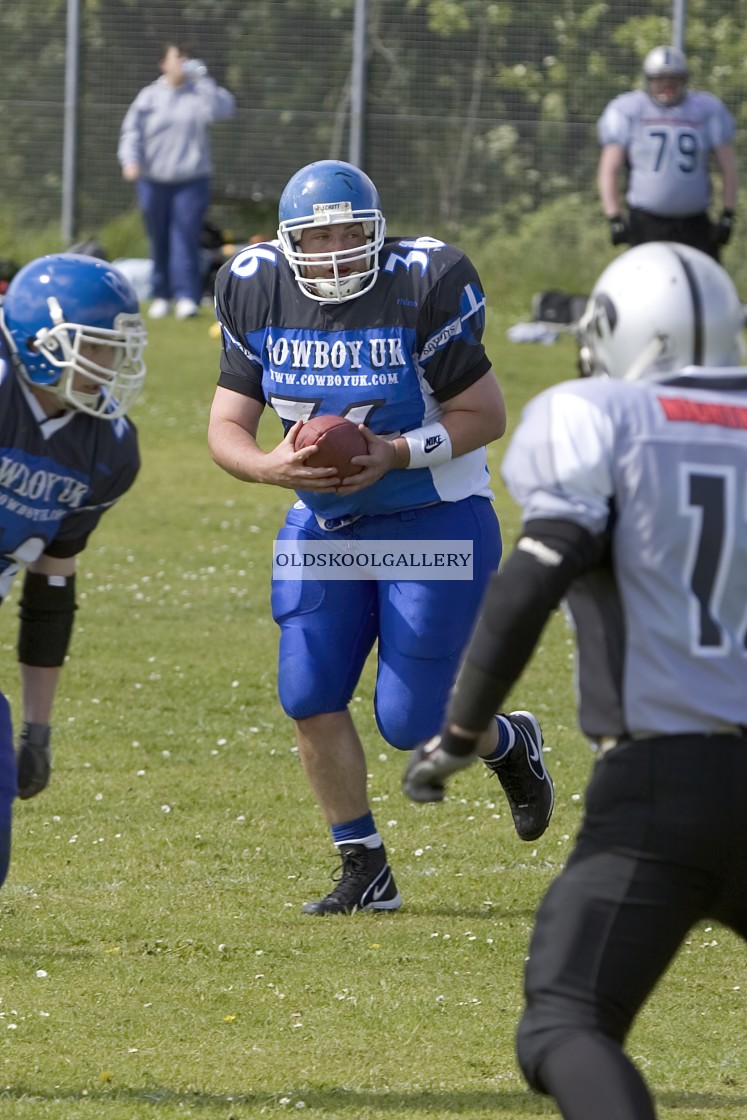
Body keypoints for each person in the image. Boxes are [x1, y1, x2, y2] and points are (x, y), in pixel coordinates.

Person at [403, 241, 747, 1118]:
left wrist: (461, 732)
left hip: (664, 780)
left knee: (564, 1022)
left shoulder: (602, 418)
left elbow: (528, 584)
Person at [207, 159, 554, 915]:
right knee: (306, 692)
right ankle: (363, 867)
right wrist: (269, 469)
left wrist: (391, 453)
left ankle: (507, 741)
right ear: (287, 240)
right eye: (316, 236)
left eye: (348, 234)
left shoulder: (424, 281)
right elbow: (226, 427)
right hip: (324, 524)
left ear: (377, 232)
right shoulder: (254, 283)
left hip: (431, 515)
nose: (332, 251)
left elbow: (484, 415)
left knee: (412, 723)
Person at [0, 253, 147, 880]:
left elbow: (52, 586)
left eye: (115, 349)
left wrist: (39, 729)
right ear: (39, 342)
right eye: (96, 346)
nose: (110, 365)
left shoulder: (107, 449)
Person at [118, 41, 236, 321]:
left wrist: (204, 79)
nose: (183, 61)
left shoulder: (199, 93)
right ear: (164, 64)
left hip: (191, 181)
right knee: (158, 238)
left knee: (184, 237)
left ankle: (186, 296)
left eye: (186, 56)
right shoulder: (149, 97)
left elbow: (224, 109)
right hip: (153, 181)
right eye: (177, 56)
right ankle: (161, 294)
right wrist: (130, 161)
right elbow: (131, 133)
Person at [597, 46, 738, 260]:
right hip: (646, 222)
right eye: (660, 79)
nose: (667, 86)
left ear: (684, 80)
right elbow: (609, 168)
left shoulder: (705, 109)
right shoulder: (629, 109)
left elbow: (728, 166)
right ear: (648, 81)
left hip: (694, 222)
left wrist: (728, 214)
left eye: (673, 79)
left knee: (708, 286)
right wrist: (613, 216)